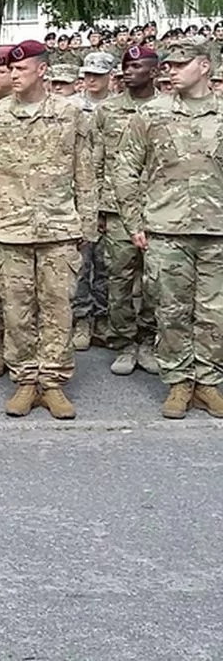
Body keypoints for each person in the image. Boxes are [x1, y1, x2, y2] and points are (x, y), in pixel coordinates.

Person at [0, 40, 97, 419]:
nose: (13, 76)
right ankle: (25, 379)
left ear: (42, 70)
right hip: (9, 229)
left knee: (58, 309)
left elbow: (85, 173)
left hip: (59, 228)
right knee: (17, 310)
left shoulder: (71, 115)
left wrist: (86, 228)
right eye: (10, 70)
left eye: (20, 70)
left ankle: (53, 382)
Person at [114, 39, 223, 418]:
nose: (170, 71)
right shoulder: (152, 114)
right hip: (166, 228)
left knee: (215, 311)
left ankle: (207, 381)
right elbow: (126, 169)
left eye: (179, 65)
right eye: (168, 66)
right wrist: (134, 220)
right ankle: (178, 381)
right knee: (171, 310)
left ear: (204, 66)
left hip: (217, 229)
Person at [95, 44, 159, 376]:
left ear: (154, 71)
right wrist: (98, 210)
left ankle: (148, 339)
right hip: (117, 208)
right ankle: (124, 342)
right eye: (125, 65)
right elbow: (97, 161)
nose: (128, 70)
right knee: (118, 278)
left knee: (154, 280)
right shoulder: (107, 110)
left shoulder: (167, 109)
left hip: (161, 208)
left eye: (136, 66)